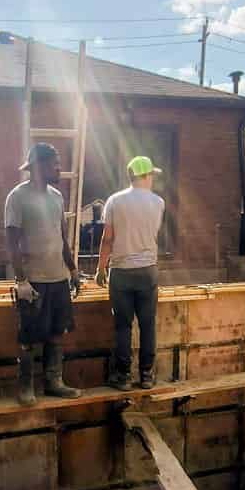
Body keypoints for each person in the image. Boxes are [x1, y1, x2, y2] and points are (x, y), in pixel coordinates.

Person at [4, 143, 82, 406]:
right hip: (33, 280)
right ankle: (26, 387)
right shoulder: (17, 197)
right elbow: (11, 242)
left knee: (56, 332)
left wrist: (72, 269)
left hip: (57, 277)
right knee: (29, 337)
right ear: (38, 166)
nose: (59, 167)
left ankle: (54, 382)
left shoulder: (57, 197)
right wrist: (21, 280)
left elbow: (61, 237)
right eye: (54, 163)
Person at [96, 155, 165, 390]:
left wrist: (100, 268)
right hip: (147, 271)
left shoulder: (114, 202)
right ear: (144, 176)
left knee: (123, 326)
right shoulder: (158, 203)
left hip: (122, 272)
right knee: (148, 324)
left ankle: (123, 377)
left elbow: (107, 239)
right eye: (152, 176)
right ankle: (146, 375)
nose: (153, 179)